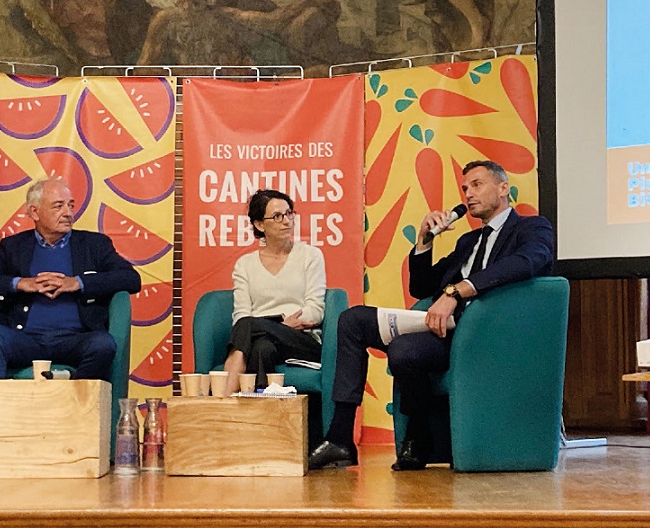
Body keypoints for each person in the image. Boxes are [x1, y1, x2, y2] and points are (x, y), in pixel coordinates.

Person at [308, 160, 554, 471]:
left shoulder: (531, 228)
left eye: (477, 185)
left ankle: (418, 435)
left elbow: (528, 262)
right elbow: (422, 287)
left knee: (404, 350)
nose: (468, 194)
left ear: (503, 188)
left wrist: (456, 292)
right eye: (465, 188)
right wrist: (424, 241)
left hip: (485, 336)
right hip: (444, 332)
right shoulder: (469, 242)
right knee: (353, 319)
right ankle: (340, 438)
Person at [0, 178, 141, 473]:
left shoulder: (94, 245)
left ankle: (74, 435)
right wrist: (21, 283)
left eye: (70, 205)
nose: (68, 212)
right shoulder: (14, 247)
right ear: (34, 212)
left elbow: (130, 279)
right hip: (26, 339)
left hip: (76, 339)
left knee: (103, 343)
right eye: (58, 206)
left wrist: (77, 283)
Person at [223, 189, 326, 396]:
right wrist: (276, 327)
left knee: (248, 326)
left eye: (289, 214)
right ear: (259, 225)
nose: (286, 221)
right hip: (261, 340)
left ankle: (222, 399)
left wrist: (281, 327)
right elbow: (241, 314)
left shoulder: (310, 255)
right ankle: (262, 412)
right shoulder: (245, 265)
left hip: (301, 338)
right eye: (277, 216)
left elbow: (316, 311)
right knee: (262, 347)